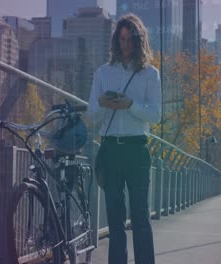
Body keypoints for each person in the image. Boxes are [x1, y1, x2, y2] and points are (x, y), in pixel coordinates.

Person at [88, 14, 161, 264]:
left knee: (140, 218)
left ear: (139, 42)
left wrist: (130, 105)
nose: (126, 45)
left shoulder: (151, 74)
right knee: (115, 221)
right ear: (115, 41)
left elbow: (156, 114)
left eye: (130, 40)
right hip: (110, 150)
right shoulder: (102, 73)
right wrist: (102, 103)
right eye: (121, 39)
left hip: (136, 150)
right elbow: (92, 115)